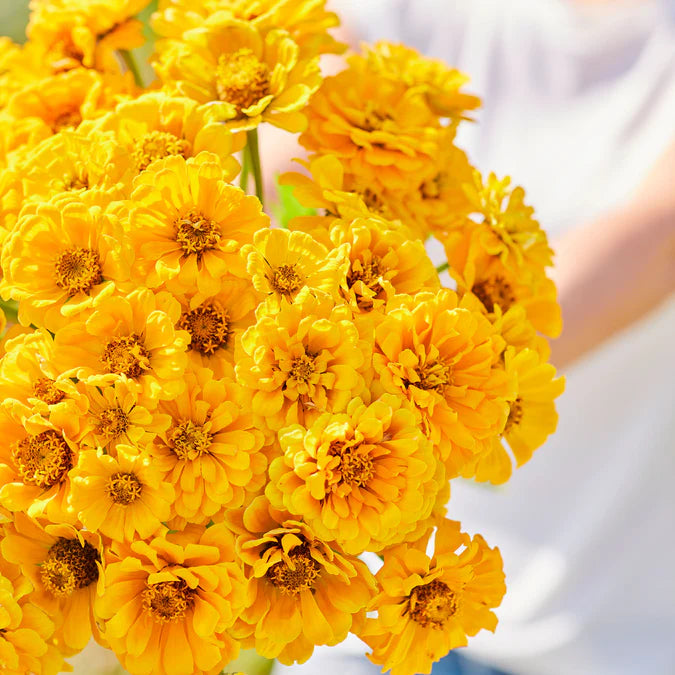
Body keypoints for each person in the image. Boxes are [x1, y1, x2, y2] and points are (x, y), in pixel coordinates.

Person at [273, 0, 675, 673]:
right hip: (370, 607)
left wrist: (433, 385)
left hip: (604, 633)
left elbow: (657, 238)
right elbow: (291, 152)